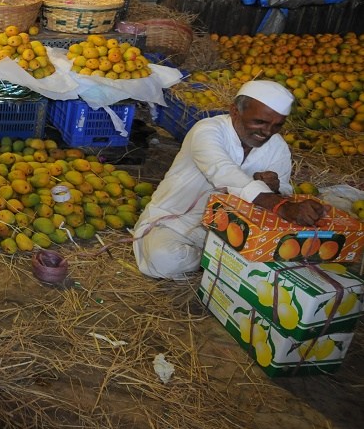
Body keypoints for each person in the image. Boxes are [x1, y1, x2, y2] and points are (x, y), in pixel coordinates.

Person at [133, 80, 327, 280]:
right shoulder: (207, 130)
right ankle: (222, 260)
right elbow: (222, 171)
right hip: (177, 222)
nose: (267, 132)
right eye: (259, 122)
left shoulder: (277, 147)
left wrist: (275, 189)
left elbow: (284, 191)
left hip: (235, 228)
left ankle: (222, 258)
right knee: (164, 259)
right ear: (235, 111)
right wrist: (280, 205)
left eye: (277, 125)